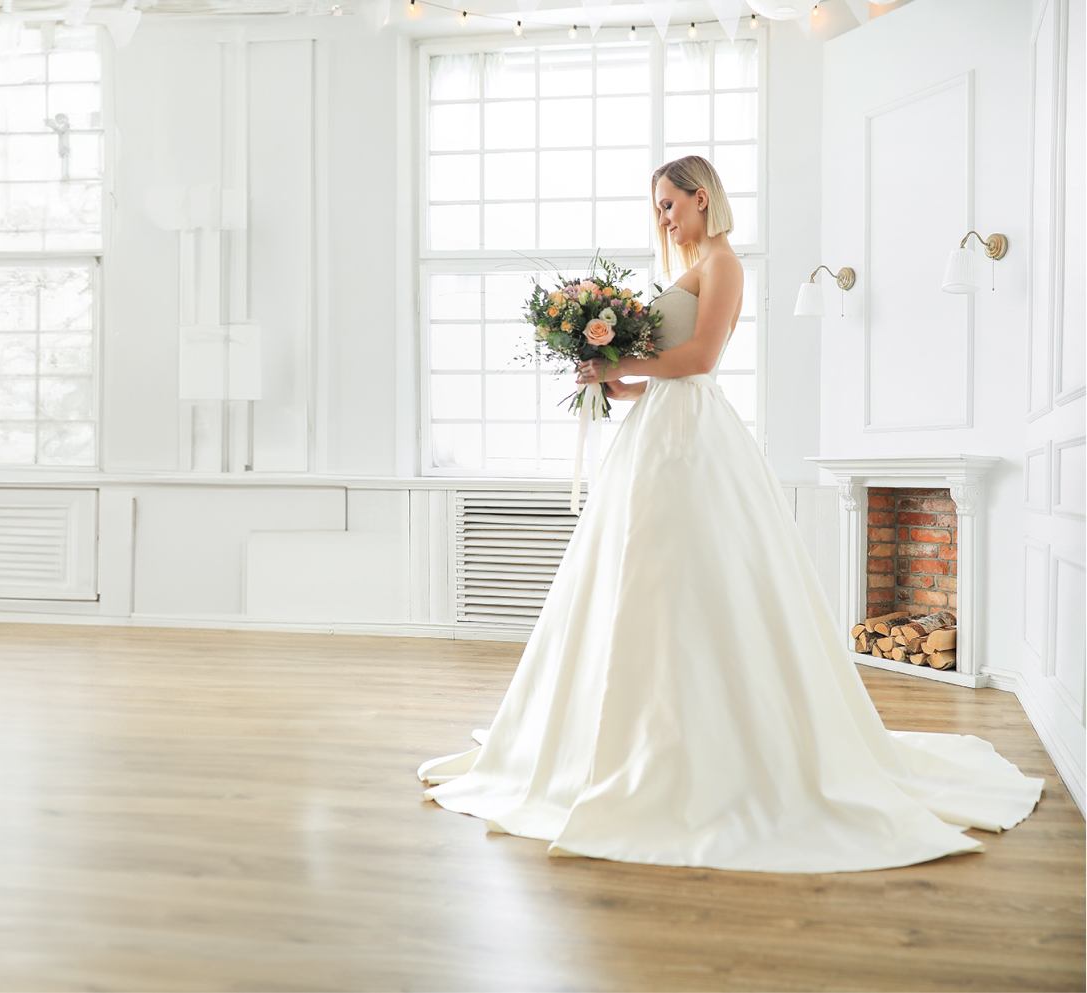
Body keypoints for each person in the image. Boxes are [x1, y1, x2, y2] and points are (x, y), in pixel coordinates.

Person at [416, 155, 1044, 873]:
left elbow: (702, 357)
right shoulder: (680, 268)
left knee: (695, 575)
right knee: (638, 579)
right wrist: (605, 375)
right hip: (652, 431)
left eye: (670, 202)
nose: (662, 215)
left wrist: (632, 366)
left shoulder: (723, 262)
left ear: (702, 196)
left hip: (694, 438)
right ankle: (621, 735)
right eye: (655, 205)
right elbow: (649, 381)